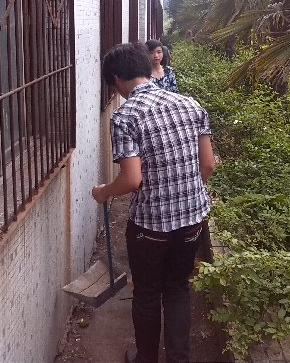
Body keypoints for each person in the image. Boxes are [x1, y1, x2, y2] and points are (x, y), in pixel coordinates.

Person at [92, 43, 216, 363]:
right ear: (147, 68)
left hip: (150, 226)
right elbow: (208, 165)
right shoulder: (191, 104)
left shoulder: (125, 116)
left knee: (147, 292)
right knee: (177, 289)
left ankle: (146, 358)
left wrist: (105, 191)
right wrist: (186, 193)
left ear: (116, 79)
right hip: (192, 220)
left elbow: (132, 180)